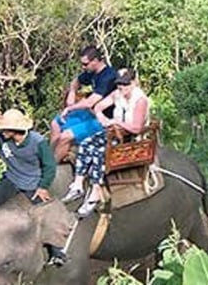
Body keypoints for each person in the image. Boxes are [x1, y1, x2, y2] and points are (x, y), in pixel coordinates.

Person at [0, 108, 67, 266]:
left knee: (49, 214)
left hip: (33, 183)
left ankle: (56, 252)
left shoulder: (38, 142)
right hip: (12, 180)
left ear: (14, 130)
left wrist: (43, 187)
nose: (1, 131)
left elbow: (49, 166)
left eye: (4, 129)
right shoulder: (1, 139)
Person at [62, 69, 150, 217]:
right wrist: (101, 117)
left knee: (98, 153)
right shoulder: (117, 94)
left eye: (125, 84)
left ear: (133, 83)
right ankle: (78, 184)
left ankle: (95, 191)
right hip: (112, 133)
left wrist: (116, 122)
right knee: (86, 144)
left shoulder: (140, 100)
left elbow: (136, 128)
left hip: (129, 139)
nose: (122, 87)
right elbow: (98, 106)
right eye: (120, 84)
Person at [50, 46, 118, 162]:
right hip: (89, 113)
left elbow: (90, 102)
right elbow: (76, 81)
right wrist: (72, 92)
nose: (83, 67)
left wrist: (70, 108)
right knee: (56, 123)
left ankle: (53, 166)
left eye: (85, 64)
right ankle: (49, 157)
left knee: (65, 136)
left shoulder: (109, 76)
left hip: (103, 119)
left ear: (96, 61)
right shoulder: (91, 72)